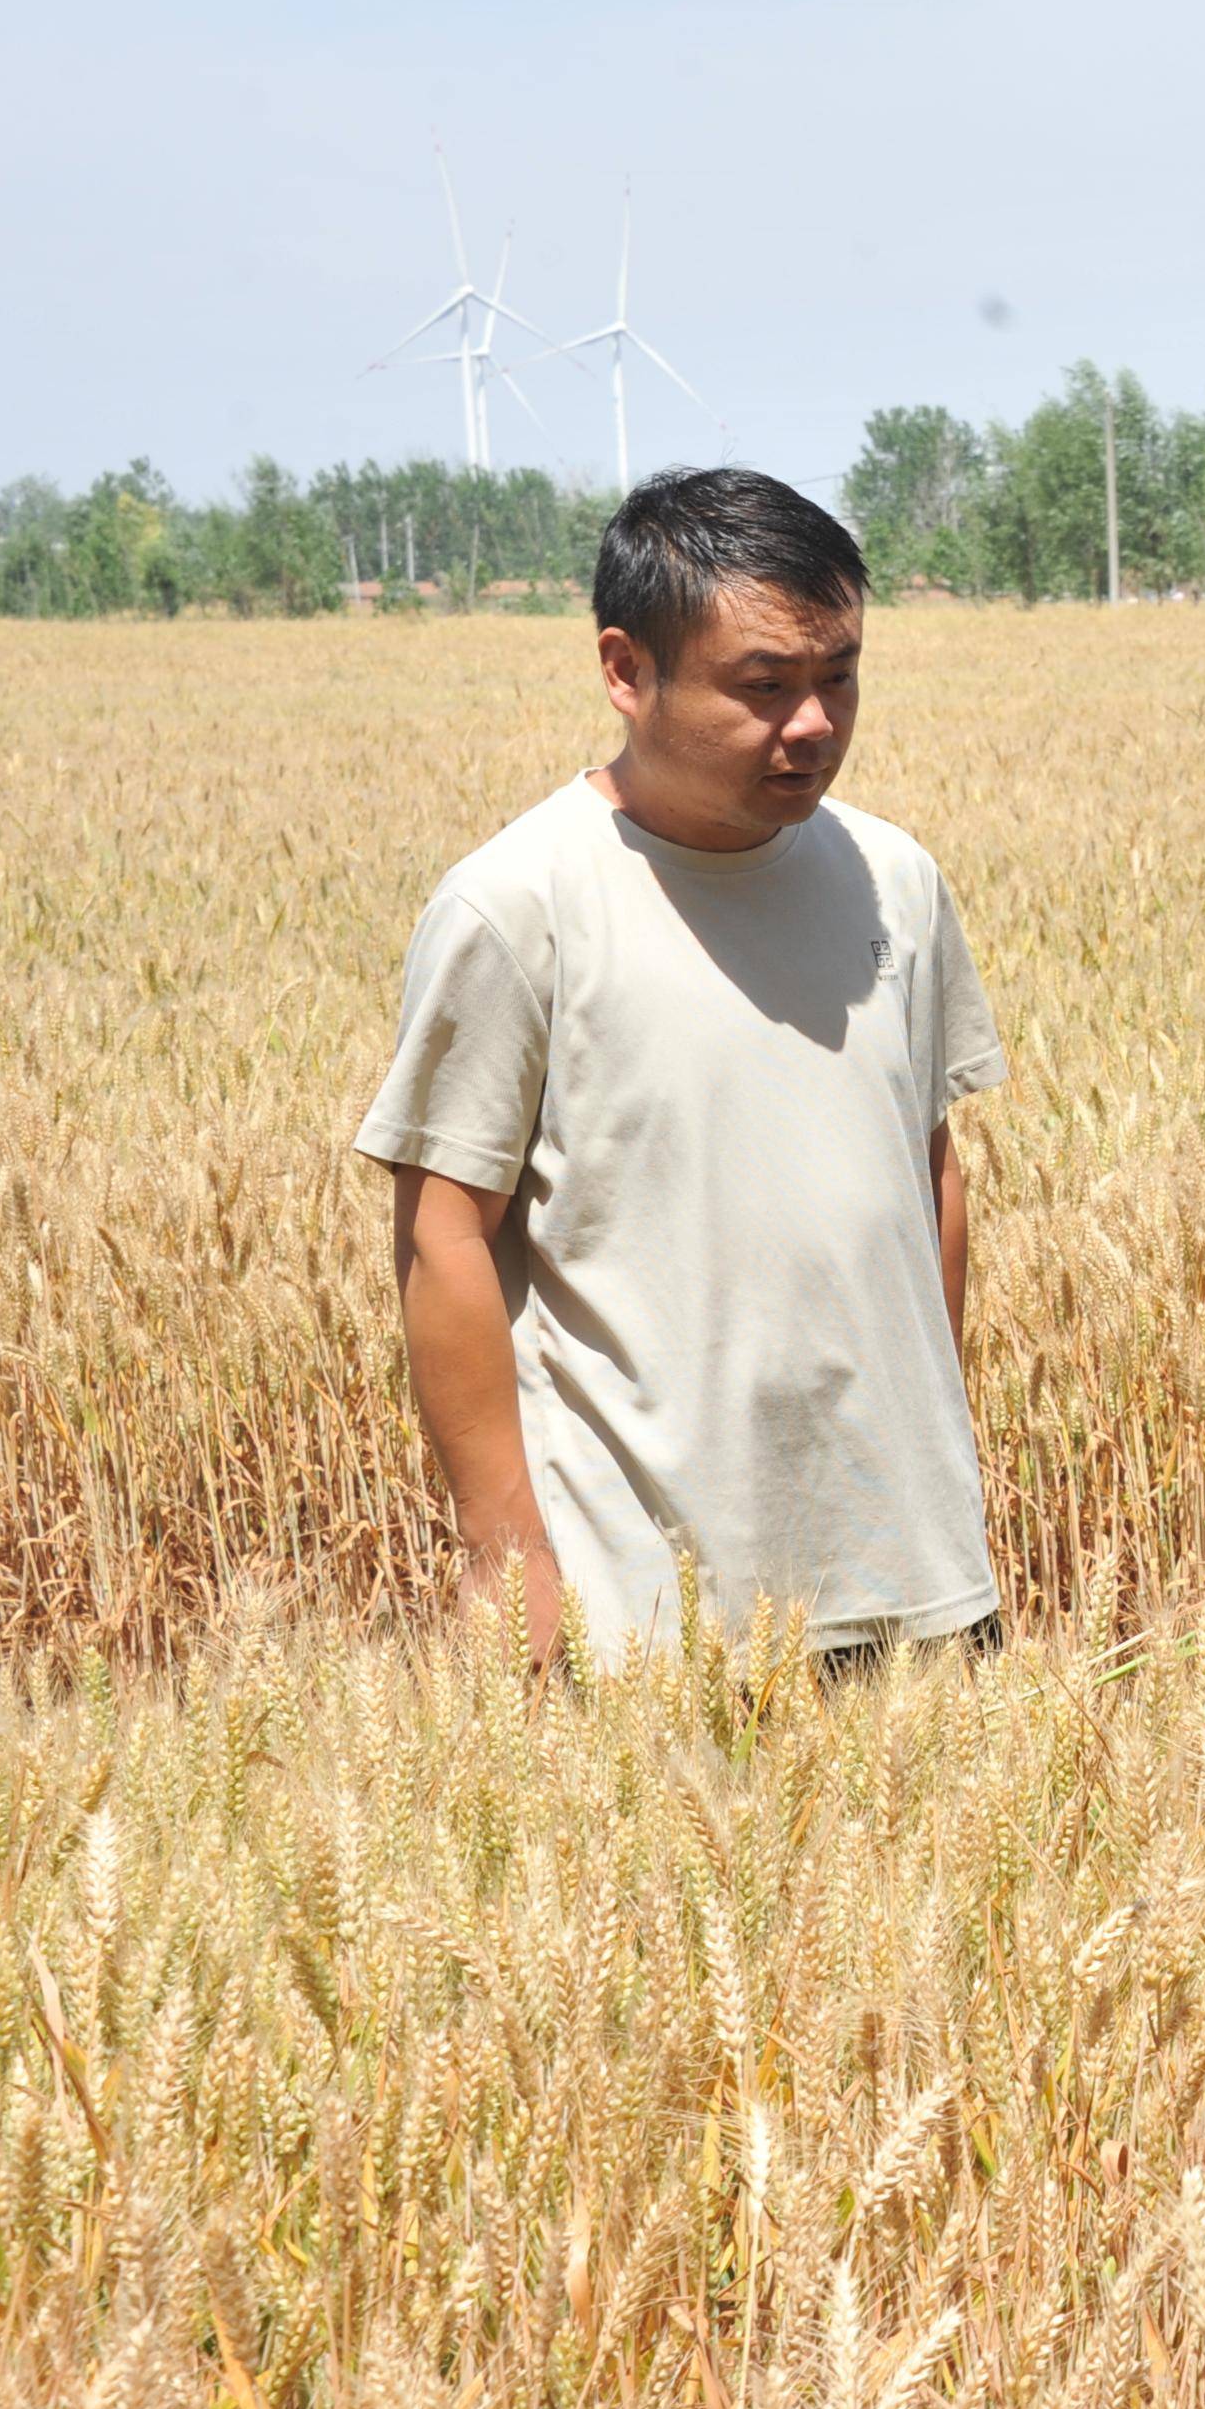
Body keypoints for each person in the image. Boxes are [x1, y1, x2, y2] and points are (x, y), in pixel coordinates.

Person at [356, 467, 1009, 1665]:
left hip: (913, 1568)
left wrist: (930, 1443)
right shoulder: (518, 908)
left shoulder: (894, 880)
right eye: (764, 687)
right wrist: (505, 1551)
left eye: (839, 677)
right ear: (625, 670)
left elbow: (928, 1169)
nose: (812, 724)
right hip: (648, 1599)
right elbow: (442, 1231)